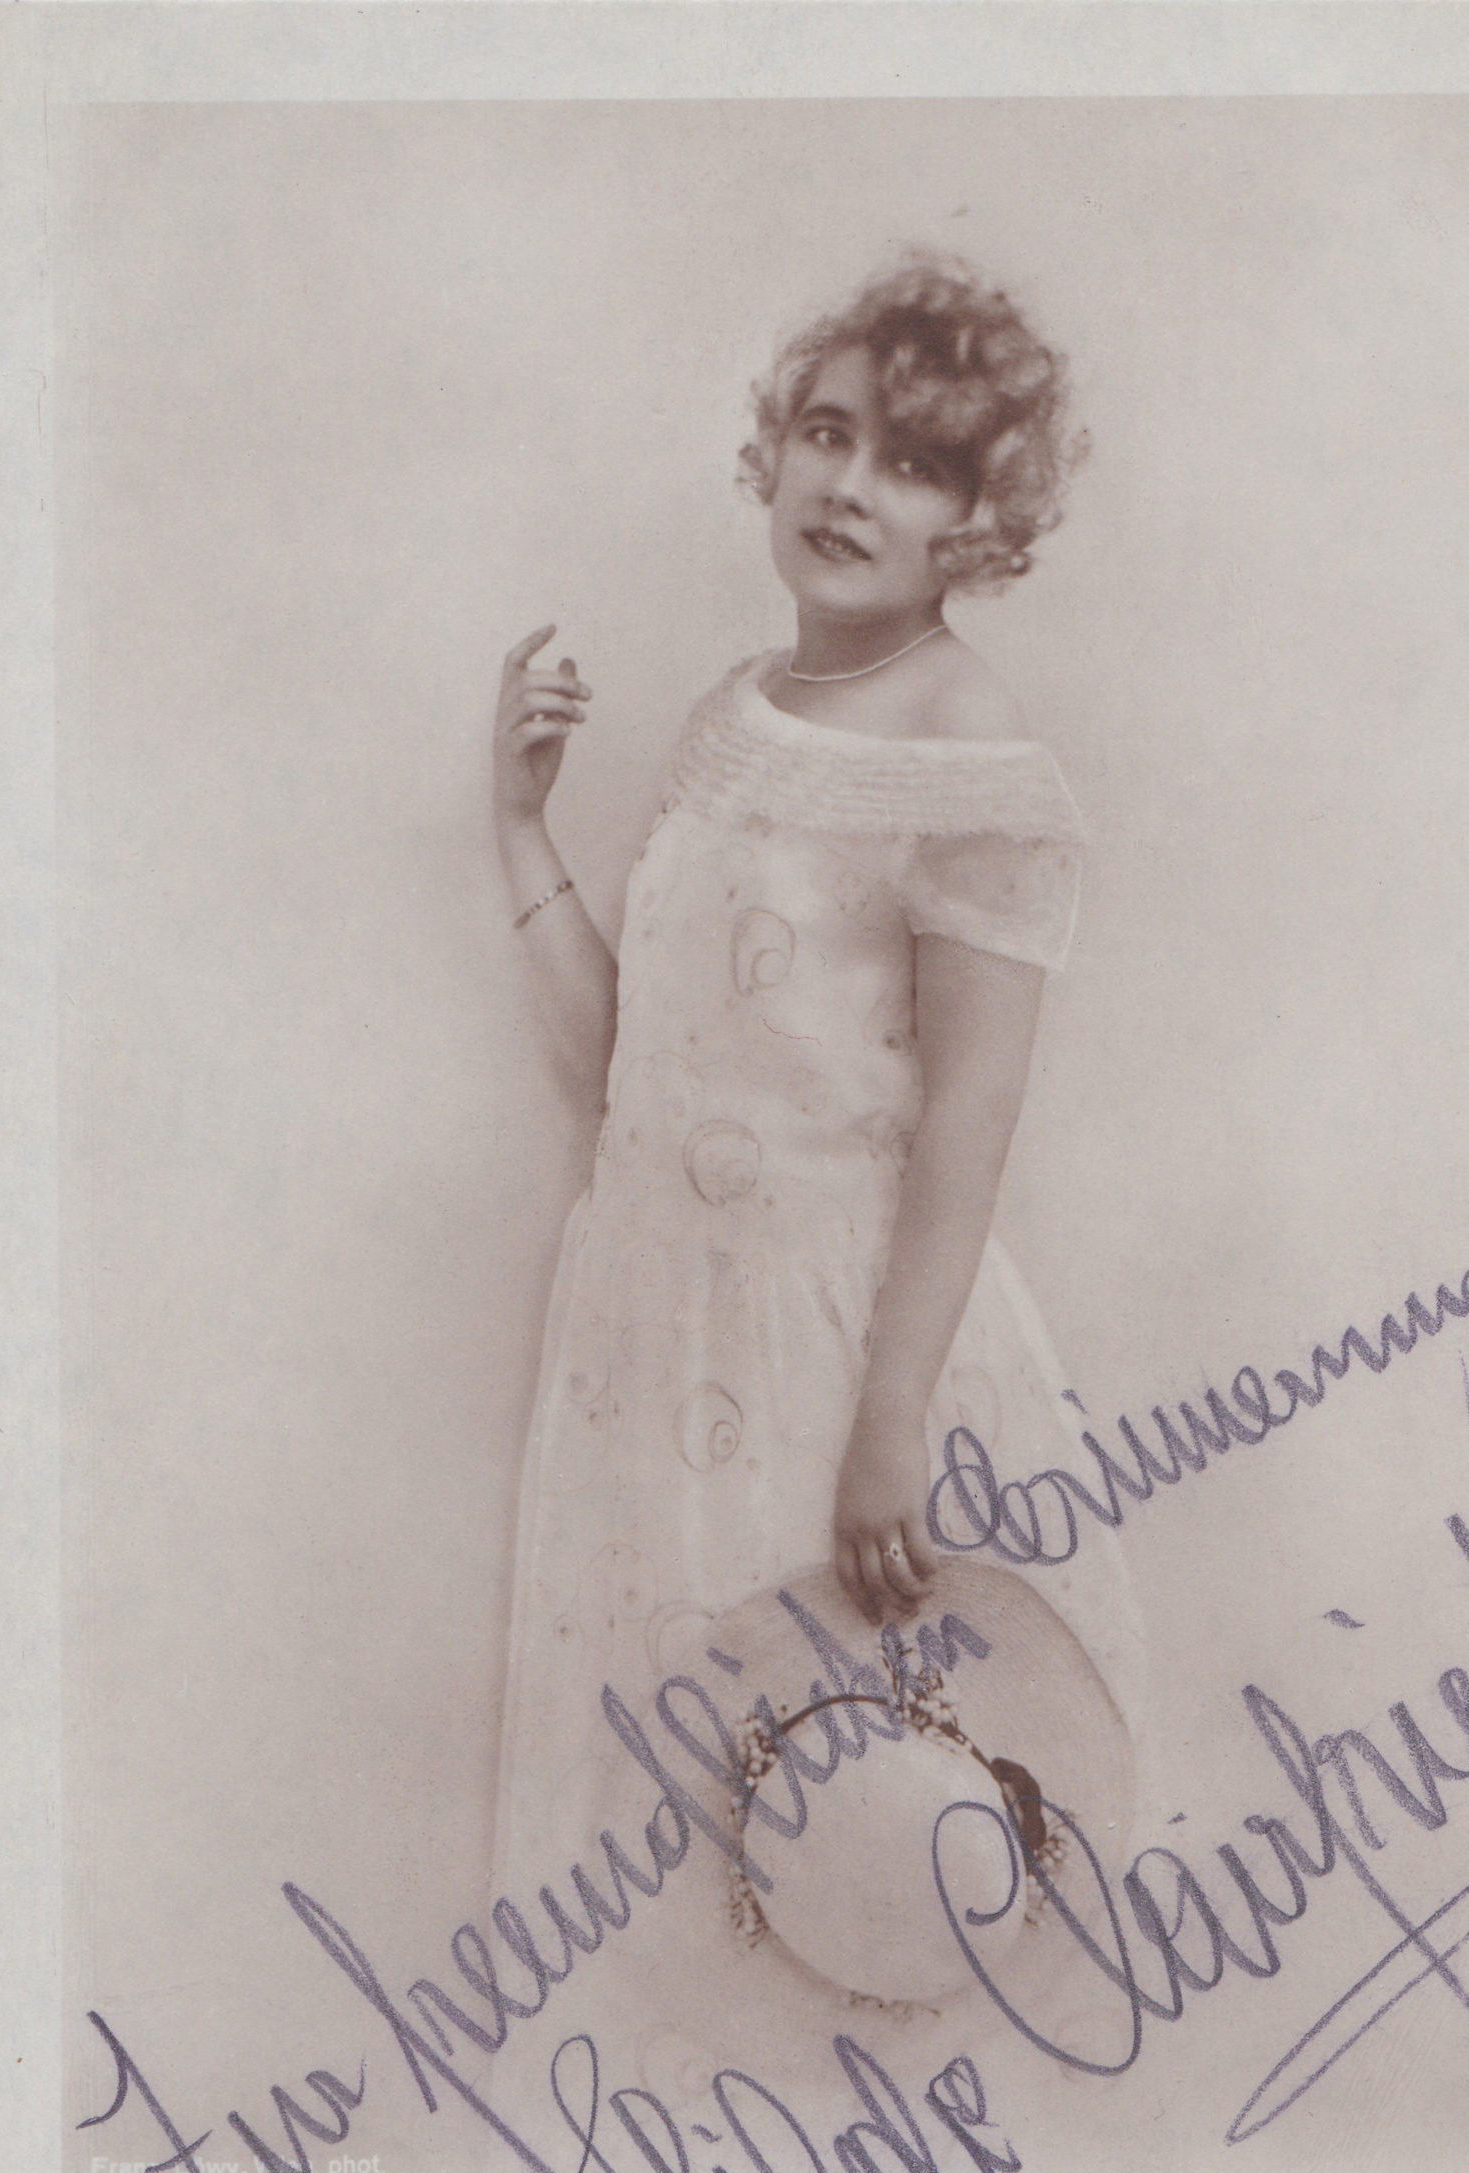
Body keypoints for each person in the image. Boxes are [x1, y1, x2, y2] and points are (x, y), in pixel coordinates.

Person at [488, 255, 1145, 1942]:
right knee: (664, 1849)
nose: (850, 486)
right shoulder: (735, 709)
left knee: (841, 1843)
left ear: (977, 521)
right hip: (651, 1336)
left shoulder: (973, 753)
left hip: (836, 1357)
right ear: (774, 447)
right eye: (829, 433)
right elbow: (631, 1076)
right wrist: (521, 825)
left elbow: (969, 1122)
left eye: (915, 463)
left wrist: (888, 1422)